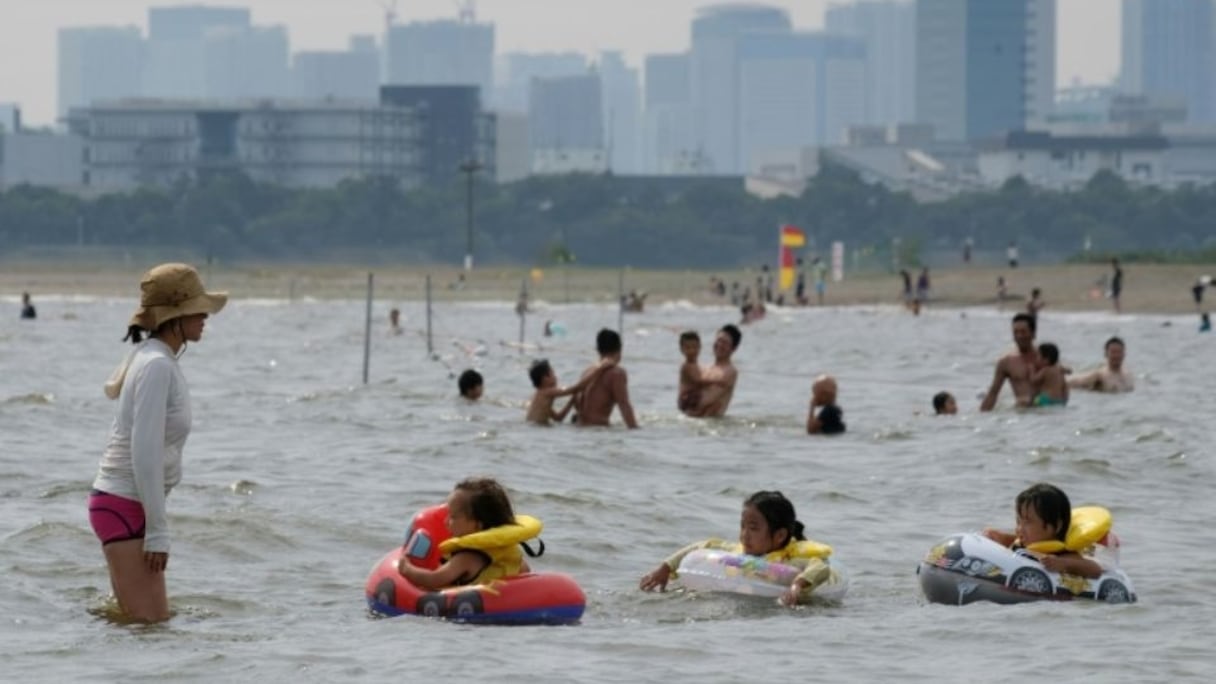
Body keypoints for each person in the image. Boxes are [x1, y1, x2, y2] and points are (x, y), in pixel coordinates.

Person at [89, 263, 227, 622]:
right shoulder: (156, 366)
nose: (205, 317)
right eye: (198, 309)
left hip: (127, 505)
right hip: (125, 505)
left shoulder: (153, 357)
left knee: (135, 626)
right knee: (151, 628)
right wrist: (158, 533)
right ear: (175, 315)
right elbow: (144, 451)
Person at [638, 491, 840, 606]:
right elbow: (704, 546)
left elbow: (821, 567)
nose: (744, 534)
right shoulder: (736, 551)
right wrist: (665, 568)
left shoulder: (791, 560)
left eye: (753, 528)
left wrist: (797, 585)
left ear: (779, 535)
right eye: (742, 526)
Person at [396, 477, 538, 590]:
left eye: (452, 517)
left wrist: (408, 570)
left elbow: (434, 580)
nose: (446, 522)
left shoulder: (466, 557)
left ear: (477, 525)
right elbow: (524, 574)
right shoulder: (510, 551)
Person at [982, 483, 1102, 578]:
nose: (1020, 529)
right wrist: (997, 537)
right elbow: (1014, 541)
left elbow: (1095, 569)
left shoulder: (1062, 554)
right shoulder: (1024, 543)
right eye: (1018, 521)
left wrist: (1064, 563)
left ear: (1056, 526)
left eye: (1027, 522)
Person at [572, 329, 639, 428]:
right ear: (620, 349)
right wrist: (635, 430)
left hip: (580, 427)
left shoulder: (588, 371)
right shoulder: (616, 373)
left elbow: (577, 403)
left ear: (598, 349)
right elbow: (624, 405)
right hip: (597, 429)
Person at [525, 357, 613, 426]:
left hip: (534, 426)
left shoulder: (540, 396)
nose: (556, 377)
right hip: (537, 427)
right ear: (545, 379)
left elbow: (558, 418)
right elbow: (577, 387)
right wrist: (599, 369)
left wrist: (571, 401)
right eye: (553, 374)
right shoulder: (547, 392)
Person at [980, 313, 1040, 411]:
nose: (1019, 336)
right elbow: (993, 393)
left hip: (1045, 412)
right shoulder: (1006, 362)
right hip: (1022, 414)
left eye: (1023, 332)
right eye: (1015, 332)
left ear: (1033, 334)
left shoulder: (1046, 358)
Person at [687, 324, 742, 418]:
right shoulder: (705, 369)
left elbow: (705, 401)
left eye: (724, 343)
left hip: (713, 425)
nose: (720, 345)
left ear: (734, 348)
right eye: (718, 340)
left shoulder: (729, 372)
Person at [676, 331, 723, 413]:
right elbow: (698, 380)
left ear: (700, 347)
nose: (692, 351)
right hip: (686, 399)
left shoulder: (696, 365)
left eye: (694, 347)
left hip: (693, 397)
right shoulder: (686, 366)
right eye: (688, 348)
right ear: (681, 349)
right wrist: (716, 380)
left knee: (716, 404)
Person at [1068, 336, 1134, 393]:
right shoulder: (1100, 375)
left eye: (1119, 352)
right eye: (1113, 352)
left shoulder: (1128, 374)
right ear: (1105, 354)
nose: (1116, 355)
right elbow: (1075, 382)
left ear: (1124, 354)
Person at [1031, 342, 1069, 407]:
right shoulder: (1059, 370)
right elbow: (1065, 387)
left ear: (1046, 360)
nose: (1035, 359)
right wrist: (1065, 399)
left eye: (1037, 356)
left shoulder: (1045, 370)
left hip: (1045, 399)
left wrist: (1031, 370)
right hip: (1059, 400)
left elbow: (1034, 380)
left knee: (1033, 404)